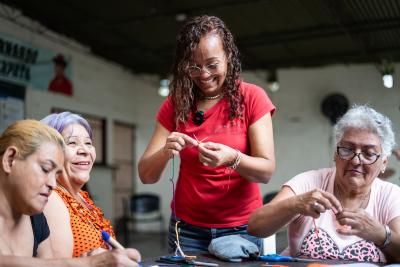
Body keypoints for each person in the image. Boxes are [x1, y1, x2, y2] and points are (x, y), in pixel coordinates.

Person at [138, 15, 276, 252]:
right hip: (187, 229)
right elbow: (146, 175)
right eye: (194, 66)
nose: (203, 75)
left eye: (213, 65)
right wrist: (165, 152)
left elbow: (265, 172)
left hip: (241, 227)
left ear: (229, 57)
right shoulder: (176, 104)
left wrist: (232, 158)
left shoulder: (252, 97)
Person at [248, 105, 400, 263]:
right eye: (347, 149)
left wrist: (382, 235)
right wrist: (294, 204)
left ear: (384, 163)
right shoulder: (309, 183)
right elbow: (255, 227)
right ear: (335, 154)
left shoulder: (391, 196)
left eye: (369, 154)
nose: (356, 161)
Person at [0, 120, 140, 266]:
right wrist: (88, 263)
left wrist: (88, 261)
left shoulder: (37, 220)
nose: (52, 184)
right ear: (10, 160)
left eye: (56, 175)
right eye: (46, 169)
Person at [41, 112, 115, 257]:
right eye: (72, 143)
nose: (85, 150)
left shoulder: (81, 197)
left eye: (88, 143)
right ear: (50, 152)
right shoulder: (52, 198)